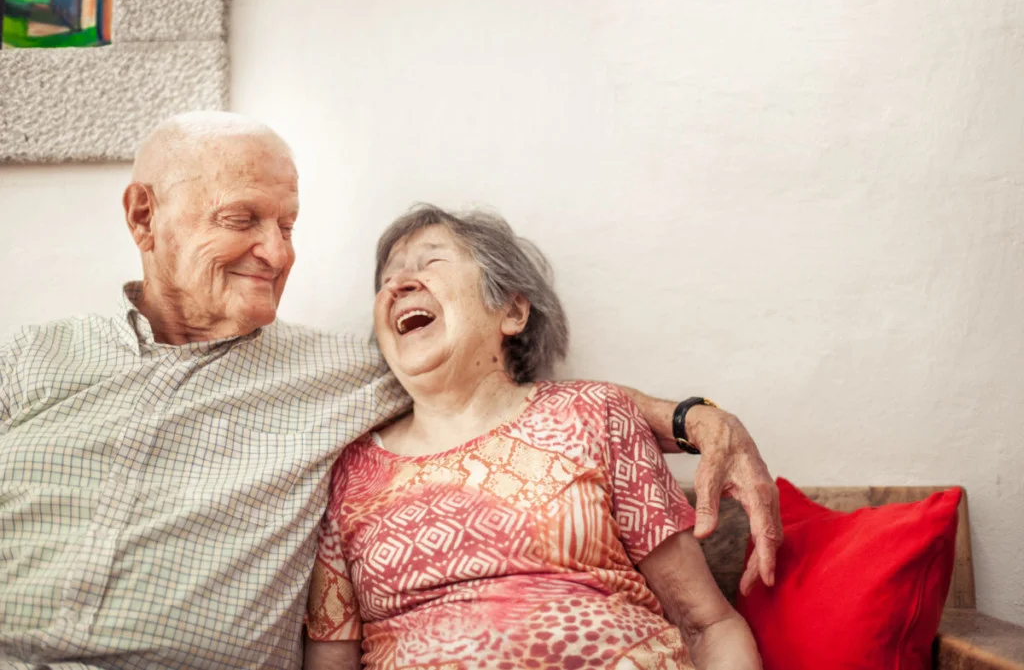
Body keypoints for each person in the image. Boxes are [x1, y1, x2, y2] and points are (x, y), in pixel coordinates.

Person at [0, 112, 777, 670]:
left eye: (290, 226)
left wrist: (695, 417)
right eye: (243, 219)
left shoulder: (346, 378)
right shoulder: (30, 362)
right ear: (144, 217)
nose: (276, 253)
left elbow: (499, 388)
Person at [305, 205, 761, 670]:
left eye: (431, 262)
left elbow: (707, 625)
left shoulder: (594, 414)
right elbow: (330, 660)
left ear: (513, 311)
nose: (399, 284)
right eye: (388, 278)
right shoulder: (348, 473)